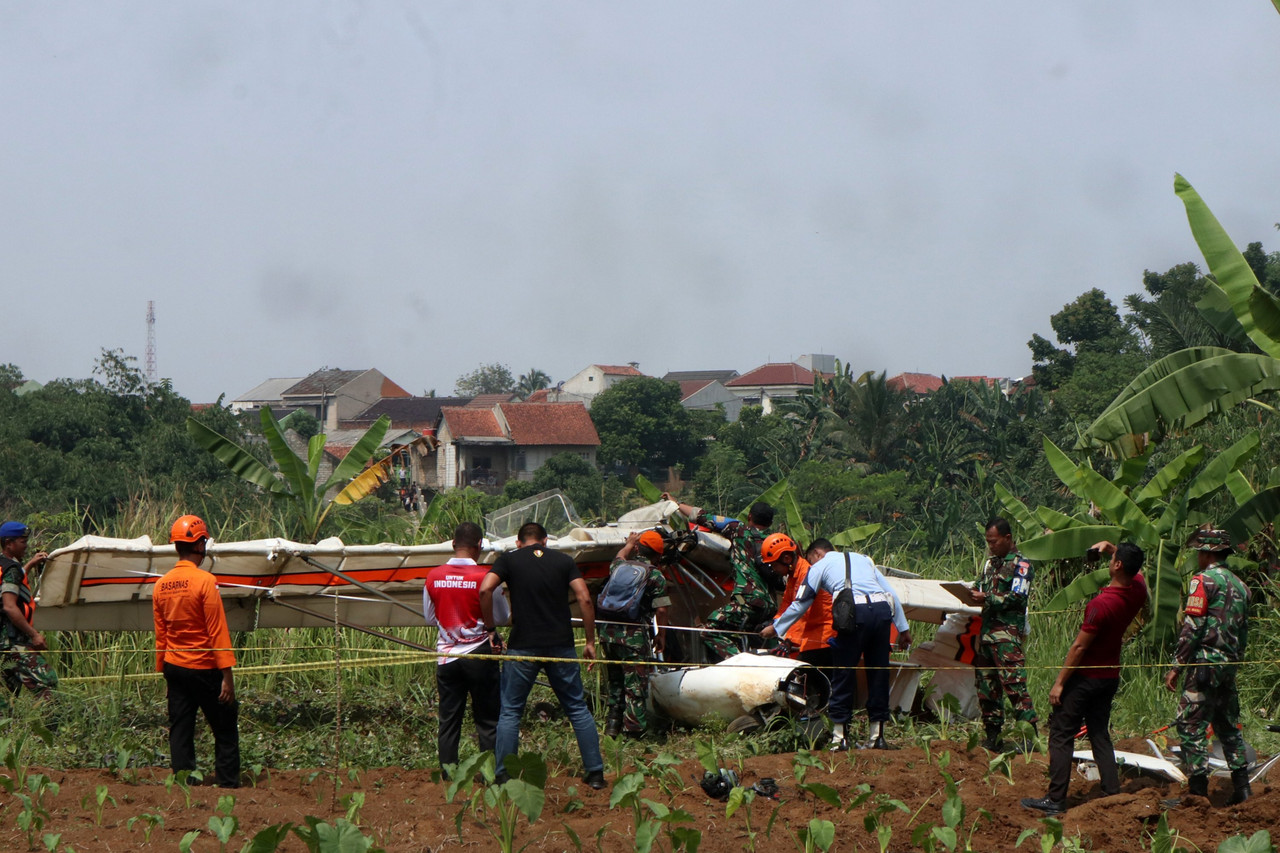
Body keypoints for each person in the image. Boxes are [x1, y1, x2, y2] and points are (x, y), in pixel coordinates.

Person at [1021, 541, 1148, 816]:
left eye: (1114, 557)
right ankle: (1111, 791)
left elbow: (1079, 647)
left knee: (1061, 734)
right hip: (1110, 675)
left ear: (1117, 565)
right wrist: (1113, 548)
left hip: (1086, 678)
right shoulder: (1137, 590)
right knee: (1099, 733)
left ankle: (1055, 799)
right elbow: (1137, 574)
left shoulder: (1100, 605)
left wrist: (1059, 683)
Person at [479, 522, 606, 790]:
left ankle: (503, 775)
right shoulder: (563, 561)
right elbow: (584, 598)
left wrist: (491, 628)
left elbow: (484, 589)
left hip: (523, 646)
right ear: (545, 541)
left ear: (518, 542)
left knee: (511, 711)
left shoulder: (509, 561)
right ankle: (595, 773)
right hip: (560, 645)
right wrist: (591, 640)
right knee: (576, 708)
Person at [763, 548, 912, 750]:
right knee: (878, 673)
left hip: (854, 613)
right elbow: (890, 593)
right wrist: (903, 629)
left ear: (817, 554)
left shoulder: (819, 566)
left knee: (843, 673)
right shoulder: (865, 559)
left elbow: (802, 602)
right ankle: (877, 737)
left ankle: (839, 738)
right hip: (881, 611)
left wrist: (776, 628)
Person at [1163, 527, 1251, 806]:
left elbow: (1193, 627)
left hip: (1203, 665)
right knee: (1227, 726)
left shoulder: (1202, 581)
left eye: (1199, 551)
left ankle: (1198, 791)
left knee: (1190, 725)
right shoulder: (1242, 586)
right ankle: (1243, 789)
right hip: (1228, 666)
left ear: (1207, 553)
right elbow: (1244, 633)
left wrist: (1177, 665)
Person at [152, 514, 240, 788]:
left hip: (175, 668)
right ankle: (227, 783)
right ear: (200, 545)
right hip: (205, 669)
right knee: (225, 727)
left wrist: (164, 672)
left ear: (177, 546)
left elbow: (161, 635)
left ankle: (183, 784)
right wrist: (227, 676)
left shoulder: (160, 585)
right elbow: (217, 631)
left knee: (181, 728)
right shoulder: (205, 581)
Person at [423, 522, 509, 776]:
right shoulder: (486, 578)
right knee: (487, 719)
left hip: (447, 657)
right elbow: (502, 618)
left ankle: (448, 773)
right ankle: (490, 774)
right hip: (480, 654)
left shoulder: (433, 576)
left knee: (449, 720)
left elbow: (429, 618)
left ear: (453, 544)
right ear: (479, 546)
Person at [664, 495, 779, 661]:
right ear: (769, 523)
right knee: (754, 637)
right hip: (771, 608)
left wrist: (676, 503)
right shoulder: (774, 542)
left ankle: (741, 661)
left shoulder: (739, 530)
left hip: (748, 602)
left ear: (749, 517)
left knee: (709, 631)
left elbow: (700, 516)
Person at [972, 518, 1038, 752]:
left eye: (994, 541)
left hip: (1007, 637)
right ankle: (992, 737)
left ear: (1008, 538)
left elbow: (1018, 597)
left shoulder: (1022, 565)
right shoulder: (990, 564)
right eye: (988, 542)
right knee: (986, 688)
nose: (990, 546)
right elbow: (980, 586)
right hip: (987, 635)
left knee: (1015, 687)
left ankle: (1030, 739)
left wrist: (987, 598)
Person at [598, 530, 671, 738]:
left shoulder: (619, 566)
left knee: (615, 680)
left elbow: (620, 555)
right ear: (658, 555)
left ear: (639, 548)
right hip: (633, 636)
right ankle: (634, 732)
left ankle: (612, 726)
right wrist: (661, 635)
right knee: (635, 685)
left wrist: (629, 543)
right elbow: (662, 608)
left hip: (608, 634)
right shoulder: (655, 575)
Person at [0, 521, 59, 712]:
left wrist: (31, 563)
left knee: (6, 696)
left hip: (3, 644)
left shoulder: (5, 566)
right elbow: (9, 607)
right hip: (13, 642)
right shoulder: (11, 569)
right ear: (9, 543)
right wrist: (34, 635)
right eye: (22, 541)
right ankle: (55, 733)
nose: (26, 545)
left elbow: (12, 581)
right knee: (47, 681)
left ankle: (7, 735)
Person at [761, 533, 834, 671]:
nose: (773, 569)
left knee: (804, 678)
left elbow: (802, 611)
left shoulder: (807, 573)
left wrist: (788, 641)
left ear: (787, 559)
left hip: (824, 637)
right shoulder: (792, 576)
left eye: (773, 565)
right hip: (811, 637)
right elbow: (787, 605)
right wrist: (774, 622)